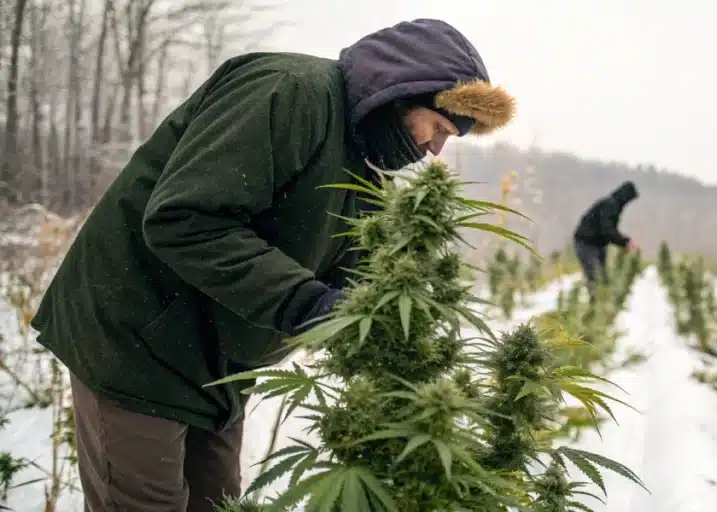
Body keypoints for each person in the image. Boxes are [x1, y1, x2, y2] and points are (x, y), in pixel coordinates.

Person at [29, 19, 515, 512]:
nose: (435, 149)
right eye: (439, 128)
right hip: (138, 334)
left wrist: (398, 332)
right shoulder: (288, 92)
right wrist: (306, 304)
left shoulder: (367, 162)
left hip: (220, 358)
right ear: (401, 94)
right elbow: (185, 220)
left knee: (217, 502)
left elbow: (353, 275)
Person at [572, 181, 639, 293]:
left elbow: (609, 230)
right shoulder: (610, 205)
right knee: (595, 278)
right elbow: (607, 230)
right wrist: (625, 242)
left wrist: (623, 242)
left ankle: (602, 301)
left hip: (598, 245)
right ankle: (595, 302)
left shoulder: (613, 205)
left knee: (603, 279)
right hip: (586, 243)